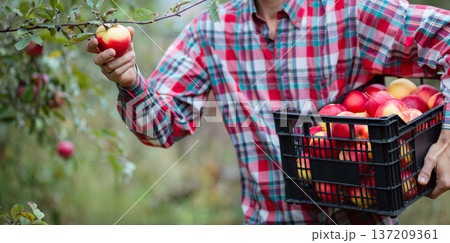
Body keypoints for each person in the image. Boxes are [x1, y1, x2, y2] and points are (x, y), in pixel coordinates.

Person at [86, 0, 450, 224]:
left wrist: (447, 133)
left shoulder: (350, 9)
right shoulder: (210, 31)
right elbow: (159, 126)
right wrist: (131, 81)